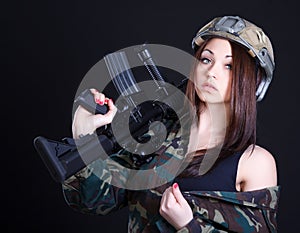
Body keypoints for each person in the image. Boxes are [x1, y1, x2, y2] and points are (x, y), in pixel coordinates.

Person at [63, 15, 279, 232]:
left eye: (229, 66)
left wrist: (188, 225)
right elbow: (93, 200)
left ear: (255, 82)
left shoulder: (255, 162)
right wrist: (84, 135)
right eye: (206, 59)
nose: (211, 72)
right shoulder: (157, 133)